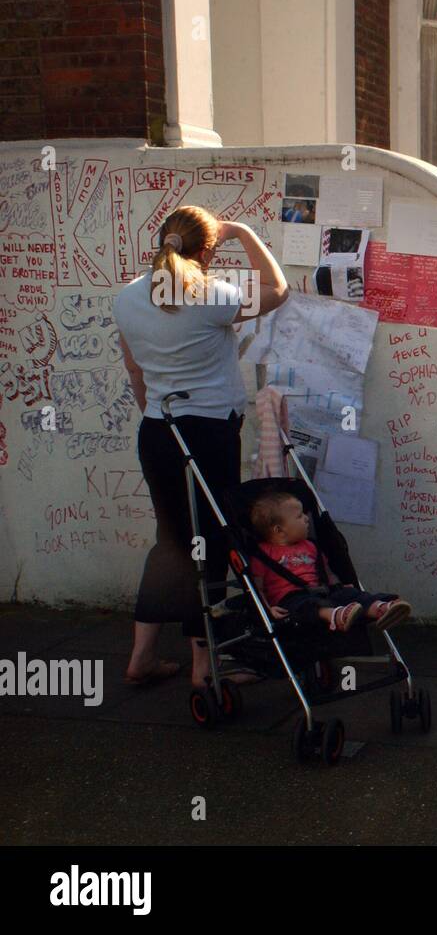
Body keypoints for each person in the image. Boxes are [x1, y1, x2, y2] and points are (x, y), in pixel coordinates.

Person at [114, 205, 290, 688]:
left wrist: (156, 415)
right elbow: (278, 290)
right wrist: (245, 232)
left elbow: (135, 372)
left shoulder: (126, 297)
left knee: (171, 541)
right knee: (209, 542)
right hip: (208, 433)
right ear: (208, 250)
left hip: (157, 432)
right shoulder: (210, 294)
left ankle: (142, 656)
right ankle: (204, 667)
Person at [247, 489, 411, 633]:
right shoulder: (263, 554)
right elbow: (258, 587)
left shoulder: (310, 546)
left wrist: (338, 585)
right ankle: (335, 616)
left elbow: (326, 571)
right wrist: (266, 609)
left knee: (350, 594)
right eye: (299, 516)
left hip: (321, 590)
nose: (306, 519)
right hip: (290, 600)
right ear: (279, 530)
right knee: (306, 607)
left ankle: (381, 609)